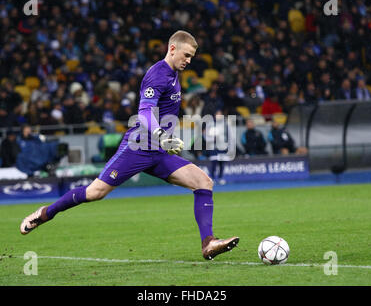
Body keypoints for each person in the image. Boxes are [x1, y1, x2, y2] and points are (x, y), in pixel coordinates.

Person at [20, 30, 239, 260]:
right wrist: (159, 134)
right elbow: (144, 112)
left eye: (191, 57)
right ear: (172, 49)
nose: (189, 61)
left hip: (159, 152)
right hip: (138, 148)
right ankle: (45, 213)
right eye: (186, 55)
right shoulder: (157, 74)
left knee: (203, 182)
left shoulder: (174, 73)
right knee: (96, 192)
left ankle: (209, 243)